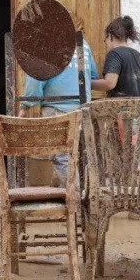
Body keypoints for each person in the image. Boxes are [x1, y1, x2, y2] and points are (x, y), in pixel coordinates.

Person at [18, 39, 99, 187]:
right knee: (78, 154)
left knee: (61, 156)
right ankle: (73, 194)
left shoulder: (45, 43)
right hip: (82, 107)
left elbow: (36, 77)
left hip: (57, 108)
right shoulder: (83, 43)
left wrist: (25, 106)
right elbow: (92, 75)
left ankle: (76, 199)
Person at [92, 16, 140, 97]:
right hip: (139, 107)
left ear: (110, 36)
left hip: (121, 108)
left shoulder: (114, 54)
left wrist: (87, 84)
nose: (106, 43)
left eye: (105, 40)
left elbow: (109, 83)